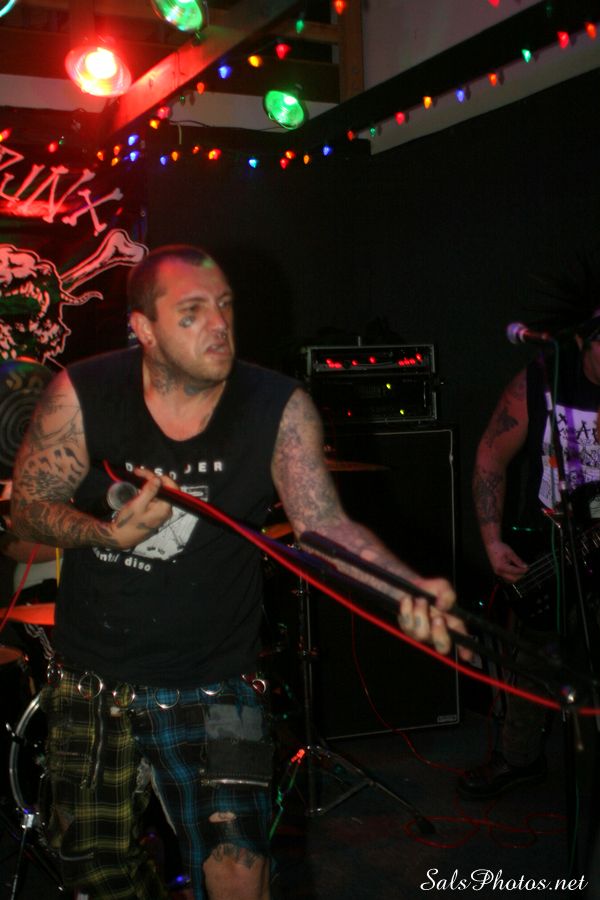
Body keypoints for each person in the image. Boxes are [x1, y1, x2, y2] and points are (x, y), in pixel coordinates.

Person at [9, 244, 466, 900]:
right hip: (93, 684)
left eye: (223, 306)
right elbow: (28, 508)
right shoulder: (81, 394)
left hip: (217, 685)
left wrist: (402, 585)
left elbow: (324, 525)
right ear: (143, 328)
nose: (218, 324)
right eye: (191, 313)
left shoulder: (277, 406)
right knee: (96, 877)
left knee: (239, 877)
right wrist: (107, 533)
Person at [458, 310, 600, 800]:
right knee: (533, 654)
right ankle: (519, 758)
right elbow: (490, 456)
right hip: (551, 544)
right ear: (582, 341)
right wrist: (493, 541)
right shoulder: (540, 381)